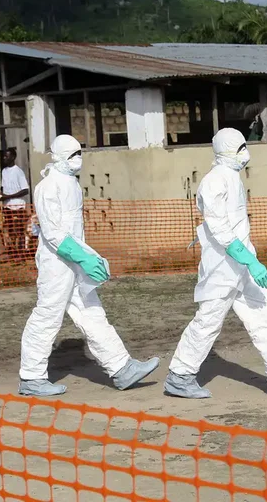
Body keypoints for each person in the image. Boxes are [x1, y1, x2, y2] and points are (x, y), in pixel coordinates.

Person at [164, 128, 267, 399]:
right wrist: (250, 261)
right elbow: (221, 229)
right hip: (222, 268)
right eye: (239, 148)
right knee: (208, 321)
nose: (244, 153)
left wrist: (250, 261)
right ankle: (180, 376)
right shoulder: (214, 182)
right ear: (226, 150)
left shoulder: (232, 178)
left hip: (243, 265)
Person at [18, 135, 159, 397]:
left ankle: (121, 368)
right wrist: (83, 257)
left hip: (75, 259)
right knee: (47, 315)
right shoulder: (48, 187)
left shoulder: (71, 183)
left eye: (79, 153)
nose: (77, 159)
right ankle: (31, 377)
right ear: (58, 156)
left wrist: (87, 256)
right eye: (72, 154)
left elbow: (74, 230)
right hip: (56, 262)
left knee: (92, 312)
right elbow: (53, 233)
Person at [0, 148, 30, 260]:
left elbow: (25, 190)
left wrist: (9, 196)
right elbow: (4, 187)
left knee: (19, 230)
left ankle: (21, 253)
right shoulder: (4, 171)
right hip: (7, 206)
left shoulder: (18, 171)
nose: (4, 158)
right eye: (4, 156)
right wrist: (2, 195)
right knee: (10, 230)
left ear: (12, 157)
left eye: (6, 156)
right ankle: (14, 252)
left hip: (18, 206)